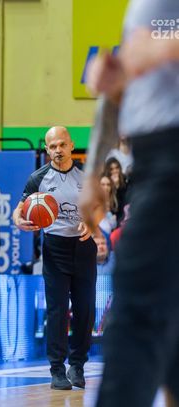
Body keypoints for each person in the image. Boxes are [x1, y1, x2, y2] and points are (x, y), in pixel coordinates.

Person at [81, 2, 179, 405]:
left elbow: (152, 49)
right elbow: (121, 85)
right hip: (153, 157)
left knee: (137, 309)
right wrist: (92, 169)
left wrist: (164, 46)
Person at [12, 126, 96, 391]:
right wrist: (18, 220)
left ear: (71, 145)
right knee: (57, 310)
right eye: (52, 146)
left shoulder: (86, 176)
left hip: (83, 247)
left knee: (85, 309)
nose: (58, 150)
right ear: (47, 150)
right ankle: (57, 370)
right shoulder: (38, 178)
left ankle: (77, 365)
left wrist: (92, 222)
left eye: (62, 144)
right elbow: (19, 209)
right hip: (55, 248)